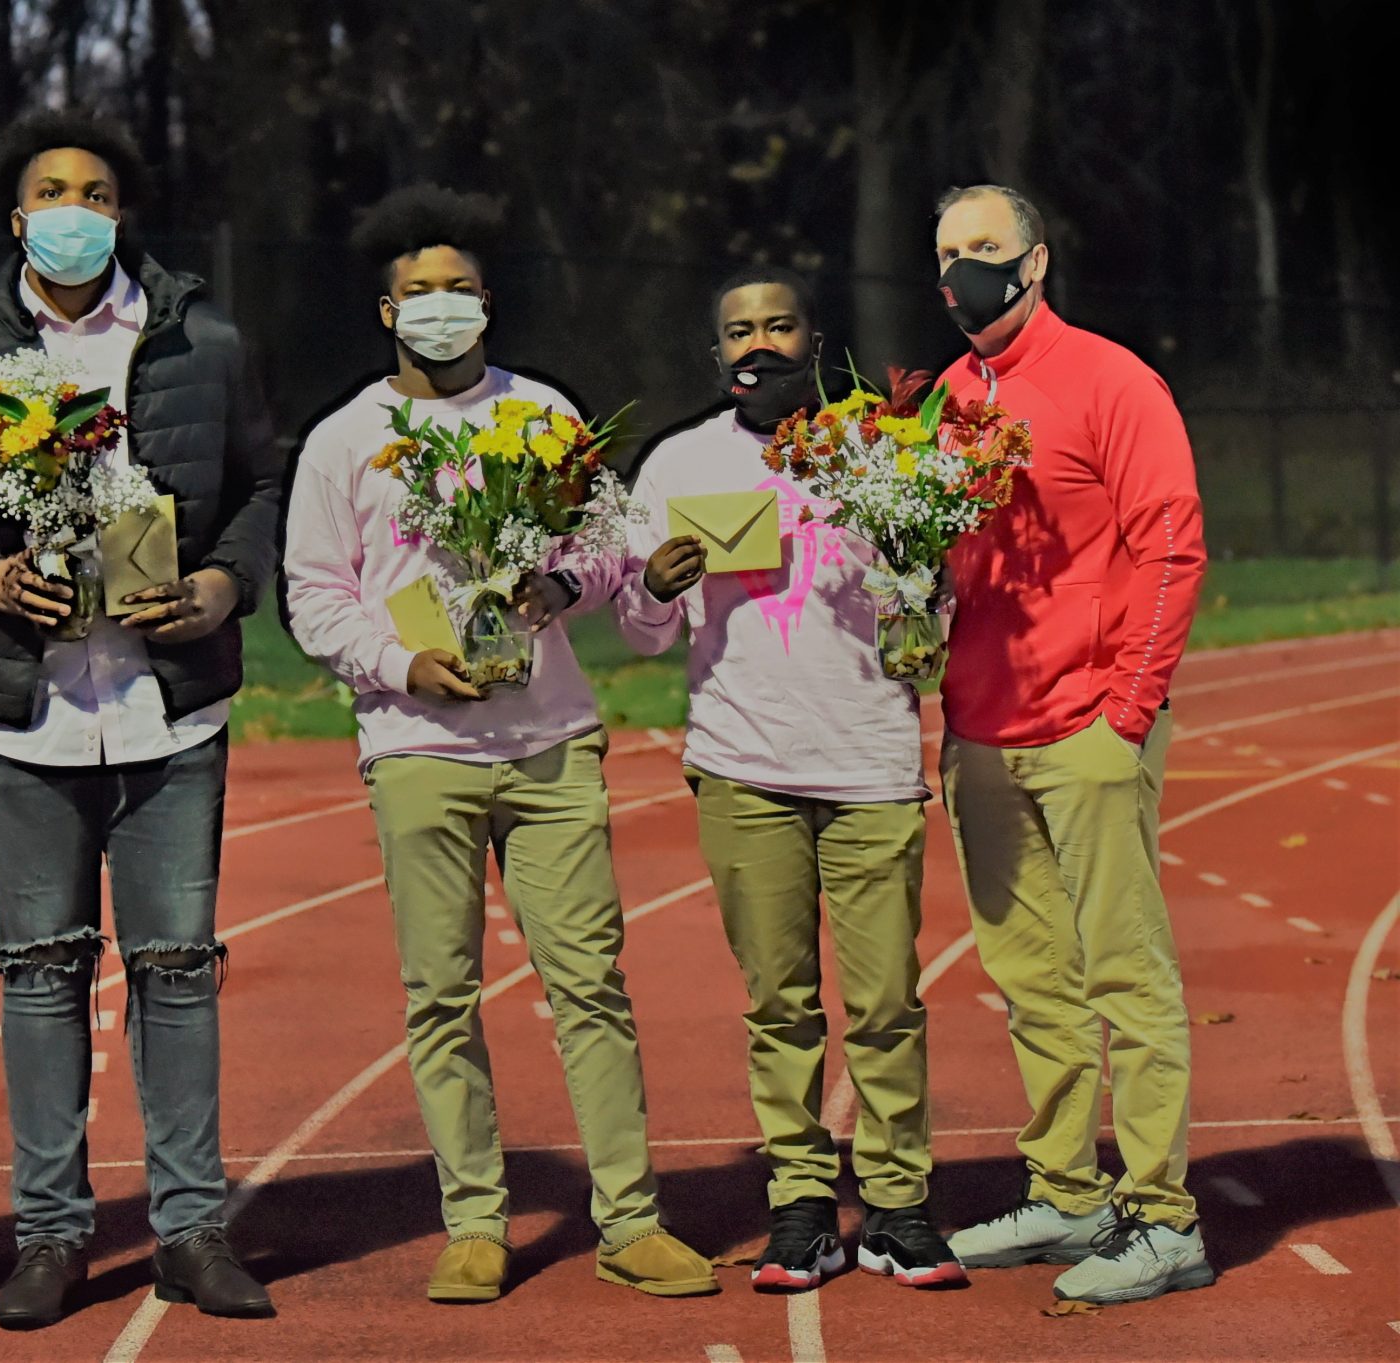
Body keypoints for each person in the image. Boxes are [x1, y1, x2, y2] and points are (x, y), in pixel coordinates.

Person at [0, 112, 280, 1328]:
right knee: (42, 978)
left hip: (167, 709)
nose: (72, 209)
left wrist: (218, 587)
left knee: (176, 973)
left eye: (94, 192)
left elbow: (261, 482)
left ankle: (190, 1227)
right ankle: (50, 1234)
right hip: (23, 713)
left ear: (123, 215)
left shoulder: (202, 341)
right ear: (14, 220)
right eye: (50, 191)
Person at [282, 184, 715, 1304]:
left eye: (459, 290)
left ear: (489, 302)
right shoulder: (344, 440)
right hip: (417, 743)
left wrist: (564, 580)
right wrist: (400, 663)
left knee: (591, 986)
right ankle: (473, 1219)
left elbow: (614, 551)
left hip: (549, 741)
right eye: (417, 293)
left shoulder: (545, 415)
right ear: (385, 312)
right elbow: (312, 597)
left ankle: (628, 1216)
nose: (440, 308)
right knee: (440, 992)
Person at [615, 267, 963, 1292]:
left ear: (814, 339)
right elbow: (638, 635)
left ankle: (897, 1203)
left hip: (867, 759)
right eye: (736, 331)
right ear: (714, 354)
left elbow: (935, 602)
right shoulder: (676, 462)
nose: (755, 343)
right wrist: (652, 584)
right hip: (742, 765)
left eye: (776, 324)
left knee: (888, 1001)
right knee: (779, 1004)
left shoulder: (882, 446)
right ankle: (801, 1202)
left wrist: (920, 585)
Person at [929, 184, 1212, 1305]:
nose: (963, 272)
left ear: (1034, 261)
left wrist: (1124, 713)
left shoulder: (1109, 379)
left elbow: (1168, 545)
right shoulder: (945, 400)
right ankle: (1065, 1191)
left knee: (1123, 976)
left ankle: (1160, 1216)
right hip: (979, 733)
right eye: (946, 253)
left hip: (1089, 728)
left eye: (984, 249)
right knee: (1029, 980)